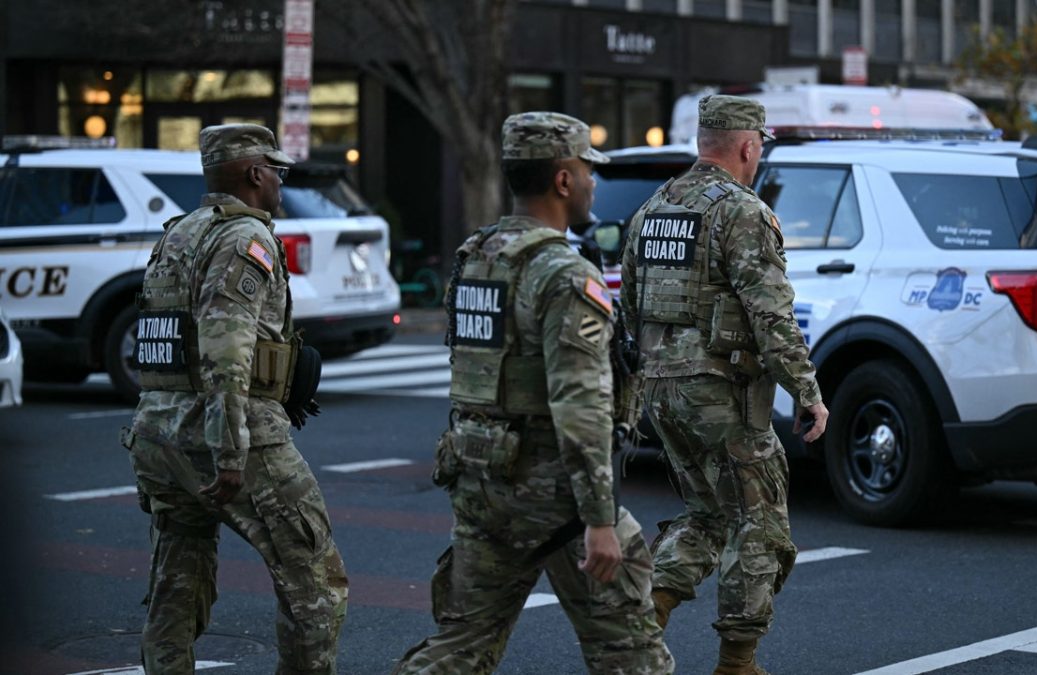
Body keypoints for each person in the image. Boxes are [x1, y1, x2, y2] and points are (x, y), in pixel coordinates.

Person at [395, 112, 673, 675]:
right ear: (564, 180)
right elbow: (581, 404)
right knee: (632, 655)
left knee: (463, 645)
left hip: (481, 479)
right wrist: (600, 519)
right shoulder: (563, 275)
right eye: (587, 171)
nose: (594, 183)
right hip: (556, 497)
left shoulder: (475, 258)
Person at [121, 124, 347, 674]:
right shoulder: (247, 237)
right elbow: (226, 350)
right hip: (230, 431)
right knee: (314, 580)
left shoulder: (179, 232)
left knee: (177, 584)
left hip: (158, 430)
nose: (280, 182)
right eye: (278, 172)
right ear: (254, 174)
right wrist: (229, 449)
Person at [620, 95, 829, 675]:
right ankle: (737, 663)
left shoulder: (653, 209)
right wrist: (807, 393)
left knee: (709, 516)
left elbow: (629, 309)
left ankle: (643, 621)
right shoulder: (742, 211)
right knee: (759, 525)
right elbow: (771, 315)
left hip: (661, 391)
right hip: (719, 392)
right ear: (748, 145)